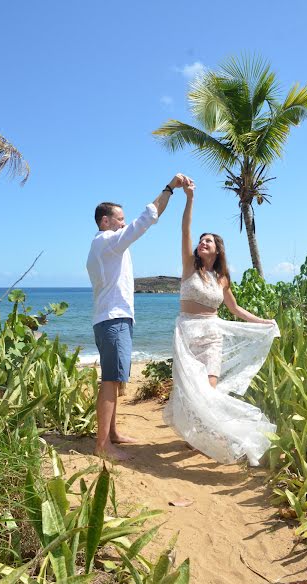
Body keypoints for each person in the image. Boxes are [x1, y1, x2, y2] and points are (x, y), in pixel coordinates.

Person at [163, 180, 280, 466]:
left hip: (212, 334)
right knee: (190, 390)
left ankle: (218, 436)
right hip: (187, 334)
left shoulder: (222, 278)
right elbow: (185, 229)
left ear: (217, 249)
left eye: (209, 241)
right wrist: (189, 198)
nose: (203, 242)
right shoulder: (190, 268)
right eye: (201, 240)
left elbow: (235, 309)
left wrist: (264, 322)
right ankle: (199, 435)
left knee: (210, 391)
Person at [87, 173, 192, 460]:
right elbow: (145, 220)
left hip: (113, 319)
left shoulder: (105, 247)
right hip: (113, 320)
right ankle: (102, 446)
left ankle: (114, 433)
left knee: (116, 379)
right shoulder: (107, 241)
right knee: (110, 381)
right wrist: (169, 188)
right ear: (105, 221)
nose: (124, 222)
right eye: (119, 219)